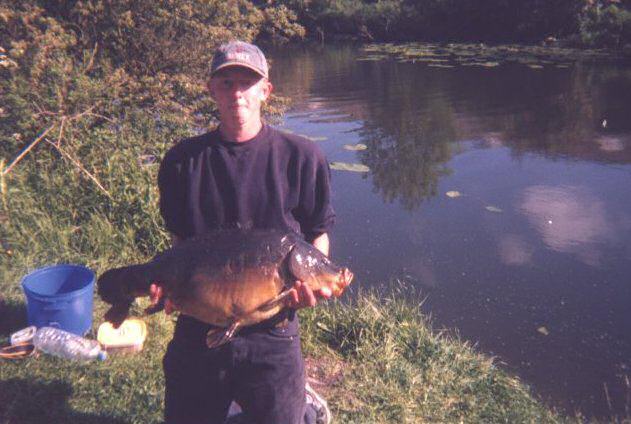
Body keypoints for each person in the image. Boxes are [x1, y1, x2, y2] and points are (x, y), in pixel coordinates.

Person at [153, 40, 338, 424]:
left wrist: (315, 281)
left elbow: (317, 232)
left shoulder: (302, 157)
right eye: (226, 83)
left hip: (274, 327)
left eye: (247, 82)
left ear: (265, 91)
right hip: (200, 319)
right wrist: (172, 288)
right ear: (212, 90)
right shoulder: (182, 162)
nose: (237, 93)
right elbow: (181, 244)